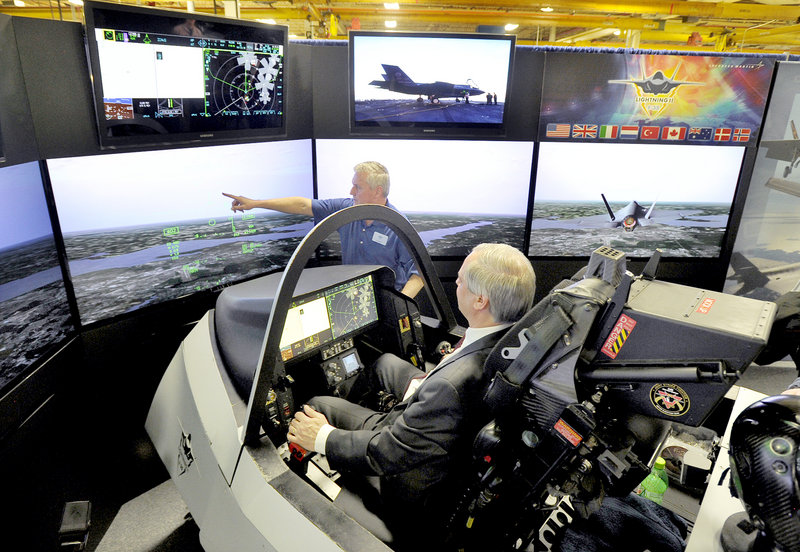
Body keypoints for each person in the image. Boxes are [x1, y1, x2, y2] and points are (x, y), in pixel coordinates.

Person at [287, 243, 536, 545]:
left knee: (317, 404)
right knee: (384, 364)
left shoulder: (449, 388)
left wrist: (321, 436)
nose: (455, 283)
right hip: (443, 421)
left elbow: (387, 452)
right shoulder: (514, 339)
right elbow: (451, 385)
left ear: (481, 300)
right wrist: (427, 384)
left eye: (460, 280)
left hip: (409, 473)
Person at [222, 161, 423, 298]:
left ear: (377, 191)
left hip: (386, 299)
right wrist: (256, 203)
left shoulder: (398, 225)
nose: (351, 191)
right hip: (352, 294)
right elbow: (302, 205)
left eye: (357, 187)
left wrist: (399, 306)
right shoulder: (347, 209)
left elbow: (418, 276)